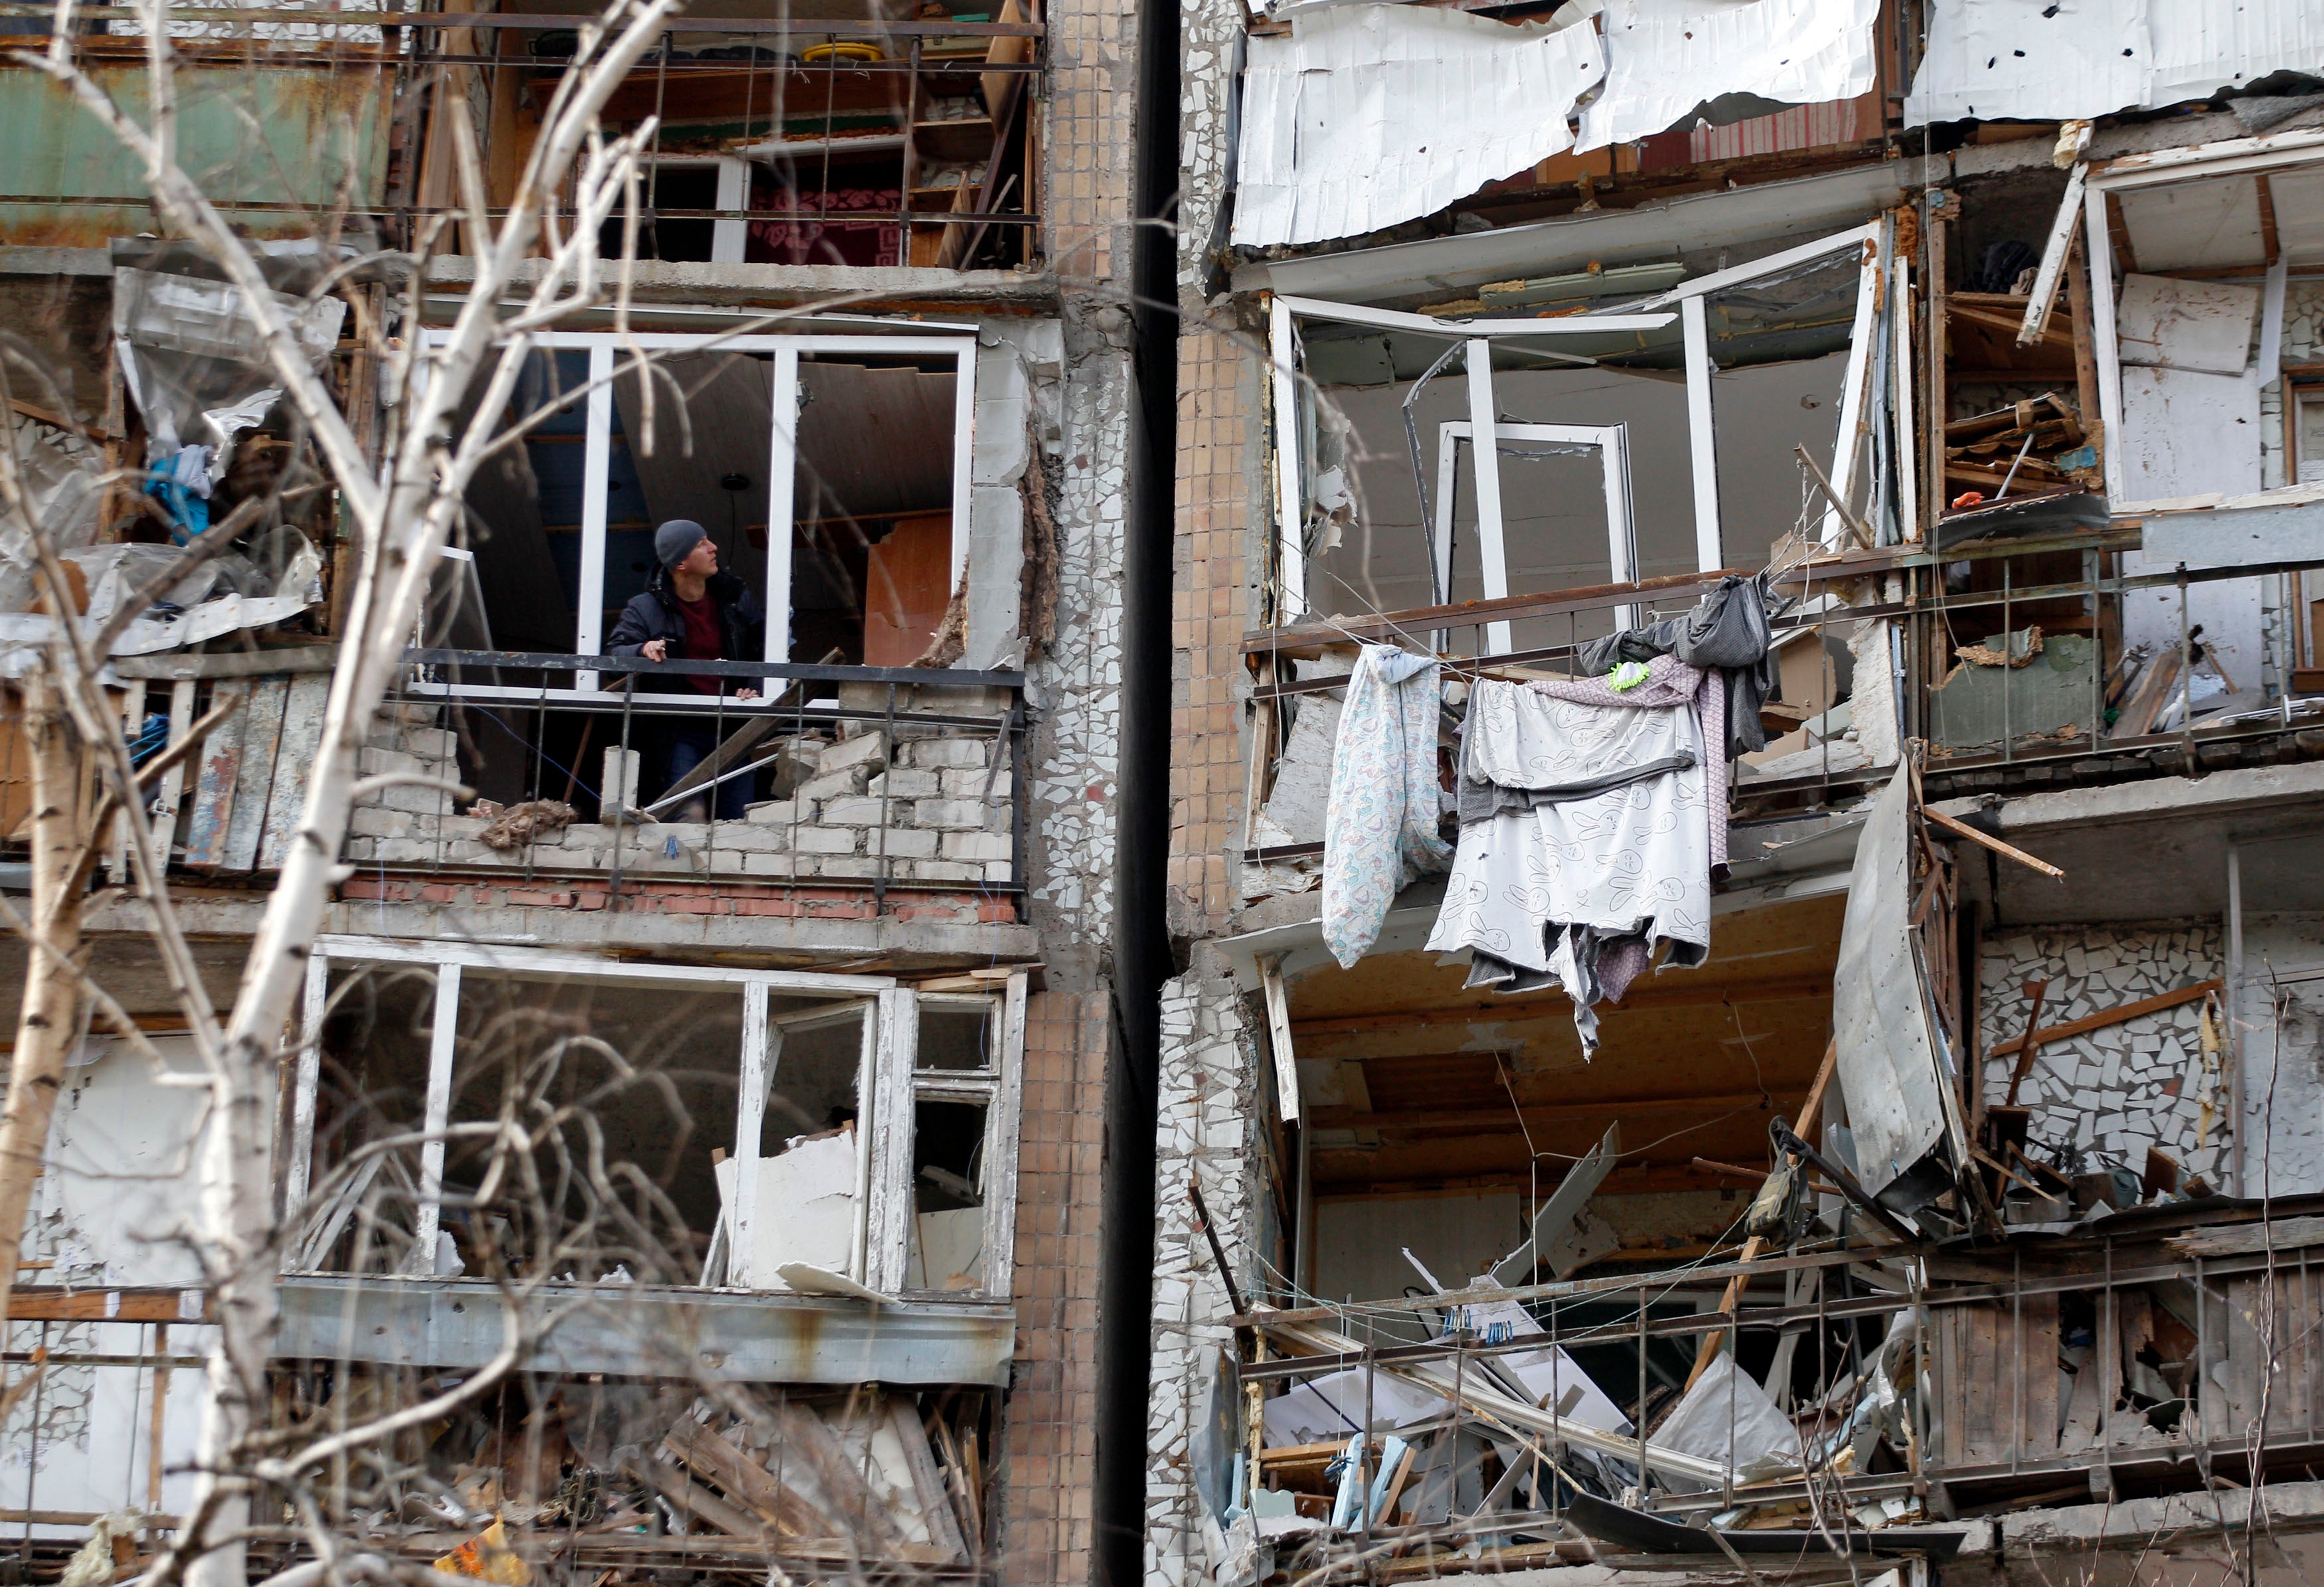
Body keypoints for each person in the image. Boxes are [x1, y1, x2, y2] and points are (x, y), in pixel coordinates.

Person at [607, 519, 765, 821]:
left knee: (739, 819)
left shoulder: (734, 599)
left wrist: (754, 686)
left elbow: (763, 650)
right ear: (681, 563)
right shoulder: (645, 608)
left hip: (732, 723)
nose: (713, 547)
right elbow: (613, 656)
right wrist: (641, 650)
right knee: (689, 817)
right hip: (681, 732)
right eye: (701, 544)